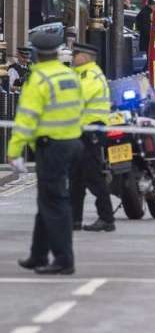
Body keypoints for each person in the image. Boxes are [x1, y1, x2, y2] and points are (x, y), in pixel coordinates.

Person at [9, 31, 84, 275]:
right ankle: (38, 254)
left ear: (36, 53)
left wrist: (14, 151)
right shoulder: (69, 75)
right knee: (47, 199)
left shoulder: (39, 79)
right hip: (73, 143)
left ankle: (64, 259)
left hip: (52, 146)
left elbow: (26, 118)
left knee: (55, 202)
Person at [70, 43, 115, 233]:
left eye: (76, 54)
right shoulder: (81, 74)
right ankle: (74, 220)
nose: (73, 57)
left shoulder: (90, 75)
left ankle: (106, 218)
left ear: (86, 57)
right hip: (82, 131)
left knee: (93, 176)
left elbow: (78, 97)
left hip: (91, 132)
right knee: (76, 178)